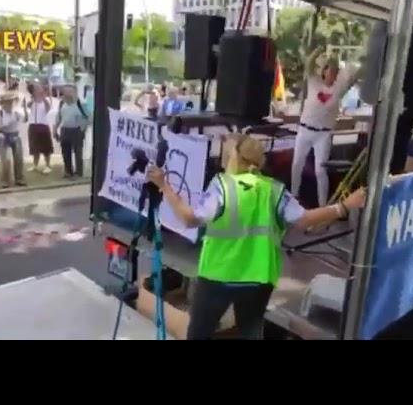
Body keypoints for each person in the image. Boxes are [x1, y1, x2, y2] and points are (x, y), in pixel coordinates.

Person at [147, 135, 367, 340]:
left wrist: (164, 186)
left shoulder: (222, 186)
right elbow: (304, 220)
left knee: (199, 334)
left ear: (235, 157)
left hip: (218, 275)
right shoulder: (274, 190)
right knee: (250, 333)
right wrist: (344, 207)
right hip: (258, 278)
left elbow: (189, 219)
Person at [291, 47, 362, 205]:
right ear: (324, 71)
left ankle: (323, 204)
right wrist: (317, 51)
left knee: (320, 170)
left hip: (323, 134)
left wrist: (352, 59)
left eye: (336, 72)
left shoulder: (338, 89)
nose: (333, 75)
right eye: (330, 71)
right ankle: (294, 195)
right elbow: (308, 65)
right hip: (305, 129)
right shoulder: (314, 82)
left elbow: (353, 71)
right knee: (297, 163)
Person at [54, 85, 89, 179]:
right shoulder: (62, 103)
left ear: (75, 92)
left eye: (70, 92)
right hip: (65, 130)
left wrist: (83, 129)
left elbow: (88, 117)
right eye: (66, 92)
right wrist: (55, 130)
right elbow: (58, 118)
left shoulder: (81, 104)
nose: (68, 94)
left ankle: (78, 172)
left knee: (78, 152)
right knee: (66, 152)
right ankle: (68, 171)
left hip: (77, 130)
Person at [0, 92, 27, 188]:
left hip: (15, 137)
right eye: (7, 102)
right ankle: (5, 181)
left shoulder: (17, 113)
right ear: (3, 104)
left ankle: (19, 179)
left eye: (11, 102)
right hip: (4, 137)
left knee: (19, 159)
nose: (10, 104)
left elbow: (25, 119)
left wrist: (24, 108)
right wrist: (6, 125)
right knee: (6, 160)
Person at [23, 83, 53, 174]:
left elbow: (48, 108)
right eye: (35, 89)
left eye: (38, 88)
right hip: (33, 125)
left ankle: (48, 165)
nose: (37, 90)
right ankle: (35, 165)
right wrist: (32, 99)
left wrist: (43, 97)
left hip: (43, 125)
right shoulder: (31, 101)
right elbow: (27, 106)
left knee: (46, 147)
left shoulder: (45, 100)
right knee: (34, 147)